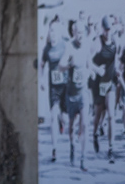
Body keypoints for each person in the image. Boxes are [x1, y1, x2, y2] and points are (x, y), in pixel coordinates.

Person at [60, 20, 97, 172]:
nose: (81, 35)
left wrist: (93, 71)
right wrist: (69, 64)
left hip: (83, 93)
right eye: (78, 32)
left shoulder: (87, 44)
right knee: (71, 127)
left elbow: (89, 62)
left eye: (83, 32)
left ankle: (83, 157)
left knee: (85, 124)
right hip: (71, 95)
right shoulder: (69, 46)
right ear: (73, 33)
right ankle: (72, 146)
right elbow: (60, 66)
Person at [92, 15, 119, 163]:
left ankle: (111, 148)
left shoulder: (115, 41)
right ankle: (95, 133)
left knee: (111, 116)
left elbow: (118, 58)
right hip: (98, 84)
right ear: (102, 29)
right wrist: (97, 69)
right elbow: (88, 60)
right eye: (106, 29)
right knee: (98, 115)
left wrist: (118, 70)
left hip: (110, 83)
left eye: (110, 29)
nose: (108, 32)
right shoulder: (97, 42)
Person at [40, 18, 67, 163]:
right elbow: (42, 64)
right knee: (53, 115)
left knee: (64, 118)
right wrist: (42, 79)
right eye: (51, 31)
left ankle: (63, 122)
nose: (53, 33)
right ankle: (54, 148)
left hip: (66, 86)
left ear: (60, 32)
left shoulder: (65, 45)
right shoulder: (47, 49)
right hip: (54, 88)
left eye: (55, 31)